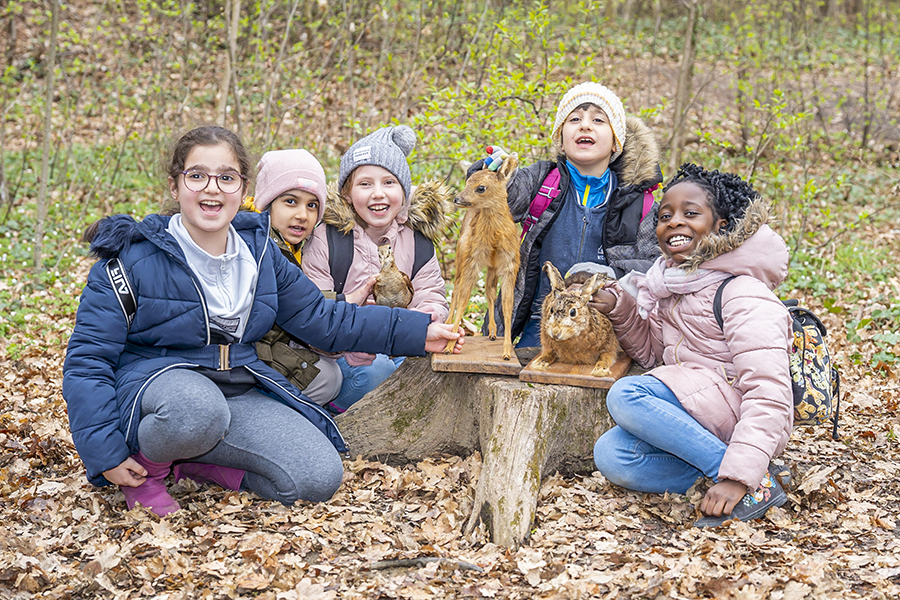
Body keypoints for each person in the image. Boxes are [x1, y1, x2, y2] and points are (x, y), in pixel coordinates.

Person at [62, 126, 462, 517]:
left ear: (243, 188)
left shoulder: (259, 254)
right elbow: (87, 361)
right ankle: (147, 468)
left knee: (317, 477)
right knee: (196, 410)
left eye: (226, 177)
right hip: (159, 391)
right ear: (174, 186)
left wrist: (417, 332)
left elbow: (325, 319)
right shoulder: (130, 258)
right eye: (197, 176)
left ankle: (192, 464)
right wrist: (105, 454)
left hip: (237, 388)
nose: (212, 188)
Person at [590, 163, 793, 527]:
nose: (674, 222)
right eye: (665, 215)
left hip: (736, 411)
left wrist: (735, 475)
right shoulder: (671, 285)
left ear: (721, 226)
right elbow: (654, 356)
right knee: (612, 455)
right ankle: (741, 469)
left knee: (626, 395)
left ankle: (745, 480)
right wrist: (620, 309)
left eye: (691, 213)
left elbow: (769, 392)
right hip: (697, 408)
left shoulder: (742, 292)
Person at [470, 81, 663, 347]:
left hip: (605, 338)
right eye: (574, 119)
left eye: (598, 119)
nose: (585, 125)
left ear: (616, 143)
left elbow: (656, 266)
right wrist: (495, 173)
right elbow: (507, 198)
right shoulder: (541, 182)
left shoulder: (637, 204)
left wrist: (609, 274)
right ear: (560, 140)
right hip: (538, 330)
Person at [302, 125, 451, 413]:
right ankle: (336, 411)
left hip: (402, 344)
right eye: (365, 184)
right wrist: (347, 344)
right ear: (347, 193)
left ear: (404, 191)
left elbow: (431, 292)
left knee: (431, 367)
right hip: (345, 355)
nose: (378, 194)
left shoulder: (415, 241)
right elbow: (314, 310)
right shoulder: (328, 239)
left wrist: (427, 318)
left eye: (389, 183)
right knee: (377, 371)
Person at [243, 149, 345, 406]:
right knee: (328, 377)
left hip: (271, 346)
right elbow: (293, 307)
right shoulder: (260, 247)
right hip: (248, 358)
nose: (303, 214)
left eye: (312, 205)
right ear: (267, 204)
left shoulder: (295, 247)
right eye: (291, 201)